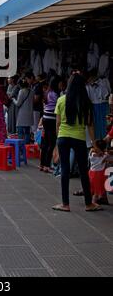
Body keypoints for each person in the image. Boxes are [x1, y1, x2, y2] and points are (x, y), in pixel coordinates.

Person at [53, 73, 103, 212]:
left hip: (63, 137)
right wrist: (94, 144)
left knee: (65, 170)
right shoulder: (85, 102)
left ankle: (65, 204)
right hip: (79, 138)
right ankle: (88, 203)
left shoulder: (62, 100)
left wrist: (58, 141)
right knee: (83, 171)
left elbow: (57, 123)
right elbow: (90, 125)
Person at [40, 77, 60, 173]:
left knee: (45, 143)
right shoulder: (55, 94)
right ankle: (47, 165)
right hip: (52, 119)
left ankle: (42, 164)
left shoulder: (47, 93)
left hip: (45, 118)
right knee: (51, 143)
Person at [86, 70, 111, 140]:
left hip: (104, 106)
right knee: (96, 127)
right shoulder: (87, 86)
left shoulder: (104, 81)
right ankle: (97, 143)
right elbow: (88, 98)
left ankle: (106, 142)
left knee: (106, 126)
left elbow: (108, 93)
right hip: (94, 107)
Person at [13, 79, 34, 144]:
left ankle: (21, 148)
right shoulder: (32, 91)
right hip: (29, 114)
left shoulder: (21, 91)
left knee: (20, 132)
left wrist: (13, 99)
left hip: (22, 115)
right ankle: (27, 147)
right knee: (27, 132)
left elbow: (18, 103)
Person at [88, 140, 109, 205]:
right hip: (99, 175)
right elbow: (107, 155)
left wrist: (94, 149)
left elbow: (92, 150)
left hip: (91, 173)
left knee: (93, 189)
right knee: (97, 191)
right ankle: (94, 203)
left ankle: (91, 201)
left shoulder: (91, 154)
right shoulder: (104, 156)